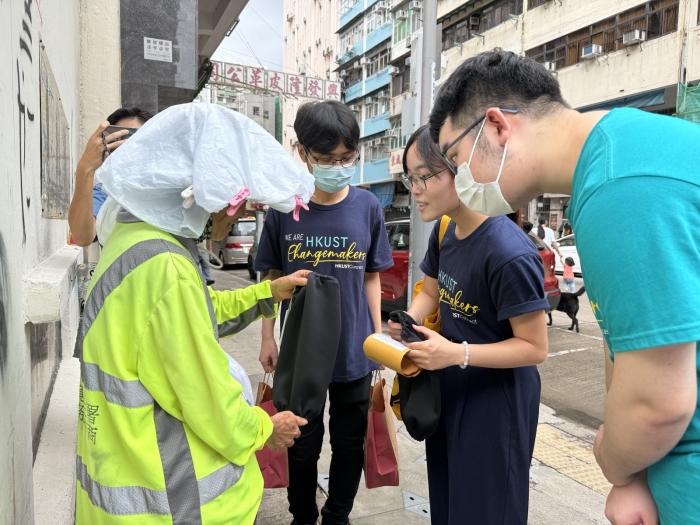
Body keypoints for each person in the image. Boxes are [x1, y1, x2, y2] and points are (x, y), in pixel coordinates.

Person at [429, 49, 700, 525]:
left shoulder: (619, 187)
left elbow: (656, 403)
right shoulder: (620, 154)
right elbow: (621, 345)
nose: (461, 178)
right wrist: (630, 477)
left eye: (456, 158)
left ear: (496, 126)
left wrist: (612, 461)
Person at [74, 103, 313, 525]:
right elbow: (206, 397)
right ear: (190, 189)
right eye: (231, 199)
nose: (232, 212)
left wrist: (267, 293)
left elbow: (189, 317)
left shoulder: (134, 238)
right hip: (167, 502)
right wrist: (265, 429)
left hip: (119, 474)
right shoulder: (167, 268)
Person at [388, 126, 549, 524]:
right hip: (451, 389)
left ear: (461, 169)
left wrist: (455, 352)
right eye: (412, 178)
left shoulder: (508, 252)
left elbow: (534, 348)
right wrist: (410, 320)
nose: (416, 189)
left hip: (497, 405)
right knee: (449, 503)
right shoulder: (445, 230)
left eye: (425, 176)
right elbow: (431, 291)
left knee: (488, 509)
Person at [254, 100, 393, 525]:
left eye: (347, 158)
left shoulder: (367, 207)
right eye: (327, 159)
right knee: (301, 443)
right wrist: (266, 337)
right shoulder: (284, 209)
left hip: (354, 350)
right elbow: (270, 276)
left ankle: (338, 516)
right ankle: (302, 517)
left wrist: (377, 337)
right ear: (303, 154)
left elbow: (372, 277)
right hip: (299, 355)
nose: (339, 166)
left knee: (350, 445)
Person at [68, 107, 152, 246]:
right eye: (119, 139)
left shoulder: (173, 185)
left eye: (136, 138)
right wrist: (86, 168)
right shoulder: (107, 191)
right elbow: (82, 236)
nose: (127, 146)